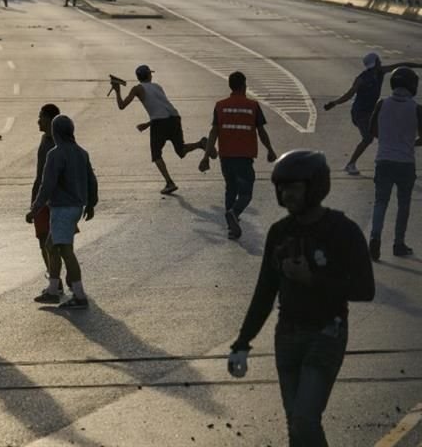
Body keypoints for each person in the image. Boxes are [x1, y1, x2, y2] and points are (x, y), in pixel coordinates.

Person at [227, 150, 374, 447]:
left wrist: (313, 280)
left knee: (305, 420)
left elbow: (365, 289)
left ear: (315, 187)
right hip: (287, 335)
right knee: (295, 423)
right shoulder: (279, 233)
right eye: (281, 187)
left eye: (293, 187)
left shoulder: (342, 231)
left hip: (326, 334)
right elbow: (265, 291)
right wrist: (242, 343)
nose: (286, 194)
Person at [27, 115, 97, 310]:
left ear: (56, 132)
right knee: (51, 246)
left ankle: (79, 294)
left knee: (66, 251)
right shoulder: (81, 152)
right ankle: (52, 290)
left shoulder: (55, 154)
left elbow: (47, 185)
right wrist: (91, 203)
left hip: (62, 208)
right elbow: (92, 179)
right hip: (76, 207)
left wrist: (35, 209)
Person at [198, 72, 278, 240]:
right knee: (246, 193)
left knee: (230, 189)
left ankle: (231, 227)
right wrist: (270, 150)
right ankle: (234, 213)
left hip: (226, 156)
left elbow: (214, 132)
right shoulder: (252, 106)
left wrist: (206, 156)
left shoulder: (220, 106)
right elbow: (261, 131)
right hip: (244, 156)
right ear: (244, 85)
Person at [112, 65, 207, 195]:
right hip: (174, 118)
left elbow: (122, 106)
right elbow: (162, 108)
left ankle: (169, 182)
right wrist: (148, 123)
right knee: (181, 151)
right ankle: (201, 144)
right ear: (149, 75)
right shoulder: (157, 87)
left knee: (156, 155)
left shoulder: (137, 89)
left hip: (159, 123)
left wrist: (117, 90)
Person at [323, 53, 422, 175]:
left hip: (371, 112)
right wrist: (334, 103)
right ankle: (351, 164)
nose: (381, 63)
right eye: (378, 61)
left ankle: (387, 162)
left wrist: (419, 65)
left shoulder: (380, 72)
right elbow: (349, 94)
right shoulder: (362, 79)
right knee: (368, 138)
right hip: (360, 113)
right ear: (374, 63)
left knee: (386, 136)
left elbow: (401, 65)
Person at [367, 67, 421, 260]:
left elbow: (372, 130)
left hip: (383, 159)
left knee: (381, 202)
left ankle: (375, 237)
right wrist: (408, 142)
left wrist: (387, 139)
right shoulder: (416, 108)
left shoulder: (382, 104)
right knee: (403, 204)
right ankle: (398, 244)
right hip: (405, 162)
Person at [28, 103, 62, 278]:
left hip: (57, 201)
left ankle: (58, 281)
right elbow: (39, 174)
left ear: (49, 120)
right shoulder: (44, 140)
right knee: (43, 241)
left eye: (41, 117)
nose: (38, 121)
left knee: (57, 244)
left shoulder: (60, 144)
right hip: (41, 199)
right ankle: (53, 278)